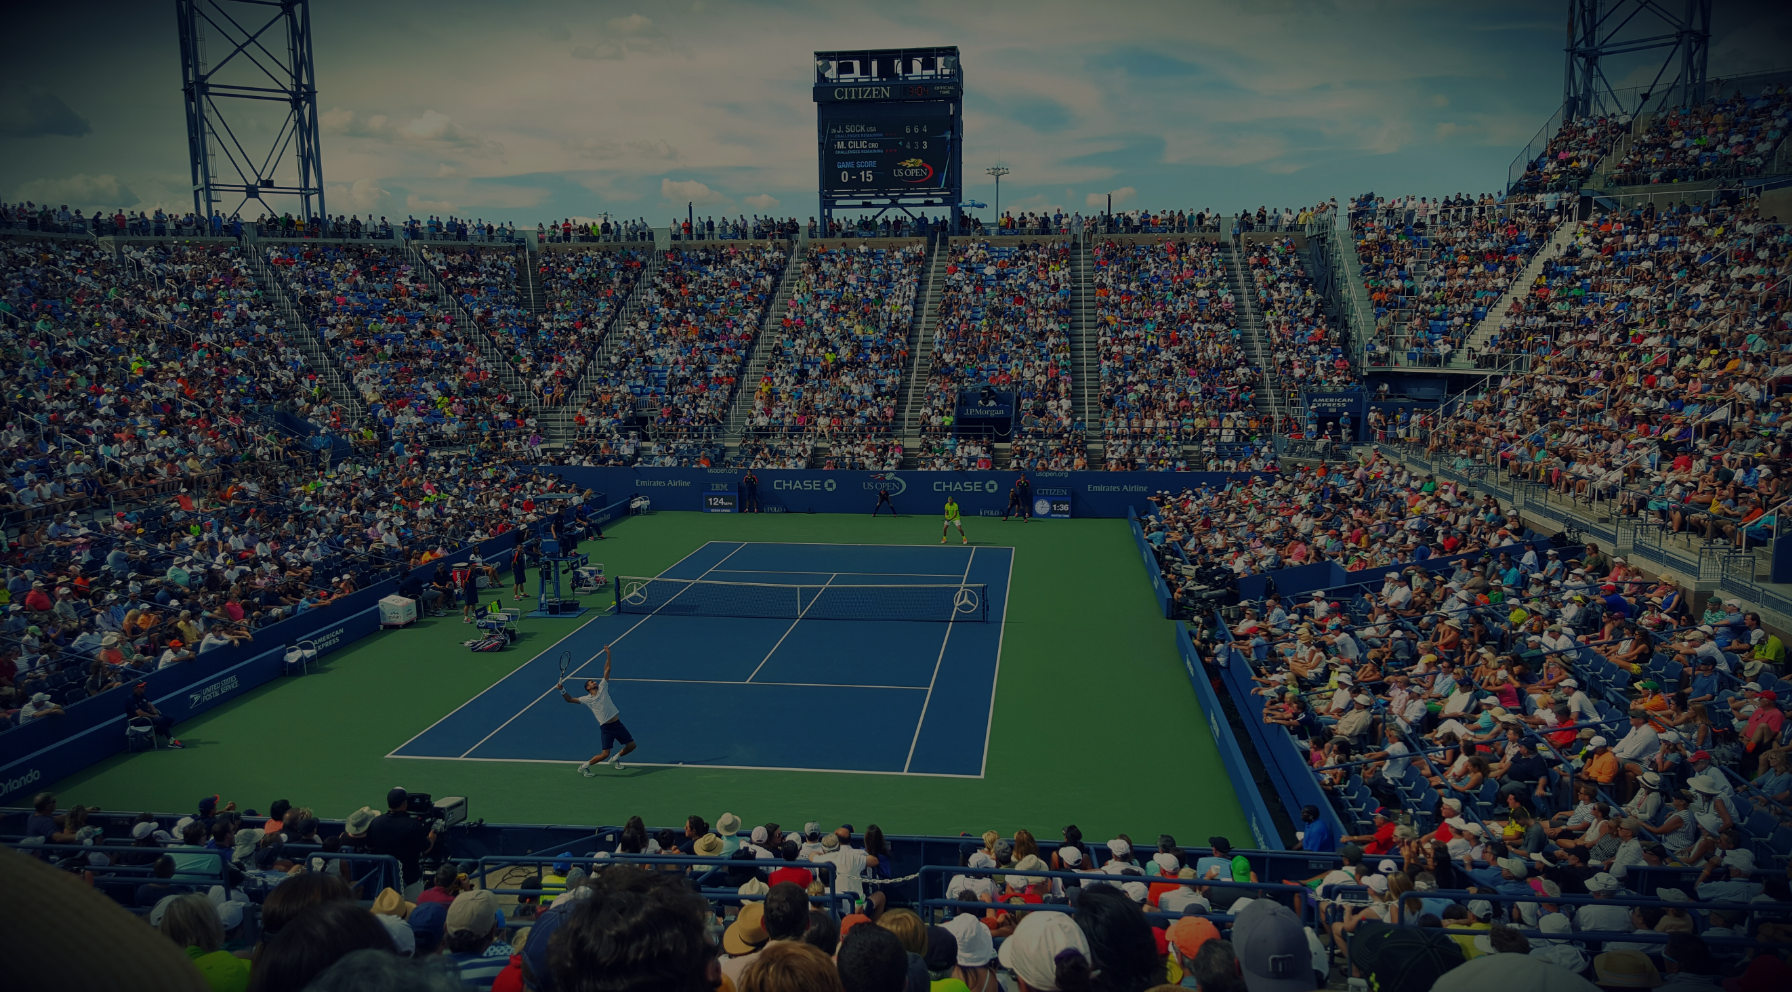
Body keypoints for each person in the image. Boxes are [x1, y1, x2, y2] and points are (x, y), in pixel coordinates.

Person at [561, 644, 636, 775]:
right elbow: (569, 699)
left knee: (632, 746)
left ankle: (616, 759)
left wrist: (608, 654)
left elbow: (607, 670)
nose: (594, 682)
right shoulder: (586, 699)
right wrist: (562, 690)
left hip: (618, 724)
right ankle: (584, 766)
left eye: (593, 681)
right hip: (607, 728)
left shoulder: (603, 688)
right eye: (590, 682)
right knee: (604, 754)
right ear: (588, 688)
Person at [366, 788, 437, 900]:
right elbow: (427, 848)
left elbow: (369, 846)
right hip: (410, 880)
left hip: (383, 880)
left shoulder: (376, 822)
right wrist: (432, 836)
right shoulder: (412, 825)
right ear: (404, 804)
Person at [126, 680, 183, 749]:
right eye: (141, 687)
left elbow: (150, 704)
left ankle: (150, 735)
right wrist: (153, 716)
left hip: (148, 717)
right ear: (135, 689)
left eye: (144, 686)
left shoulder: (142, 695)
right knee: (161, 720)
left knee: (170, 719)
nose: (144, 688)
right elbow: (139, 713)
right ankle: (171, 741)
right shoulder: (130, 699)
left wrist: (155, 713)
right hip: (138, 720)